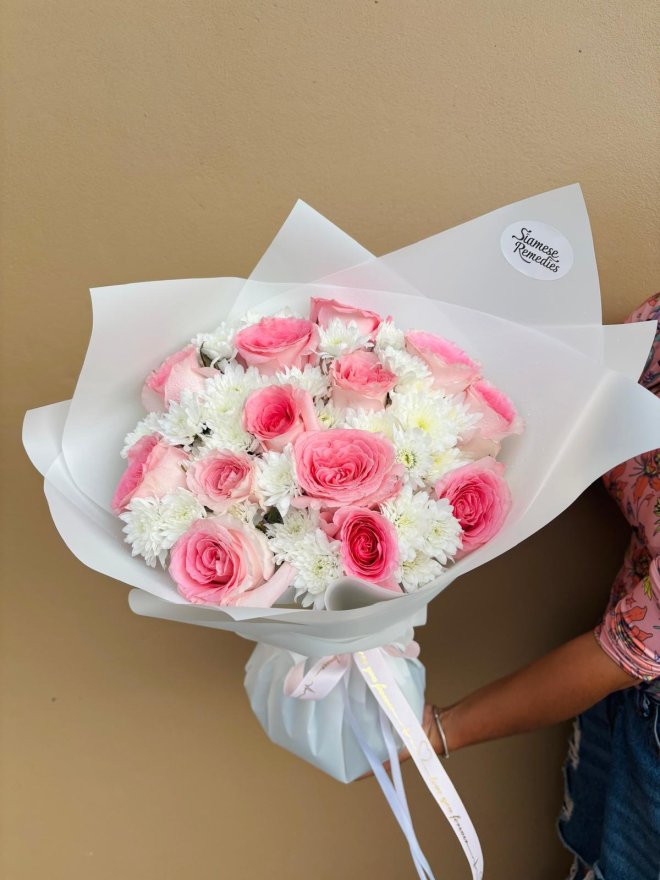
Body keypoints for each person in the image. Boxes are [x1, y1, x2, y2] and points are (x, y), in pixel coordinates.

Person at [424, 294, 660, 879]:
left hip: (635, 689)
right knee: (588, 855)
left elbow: (624, 653)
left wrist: (440, 731)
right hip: (625, 696)